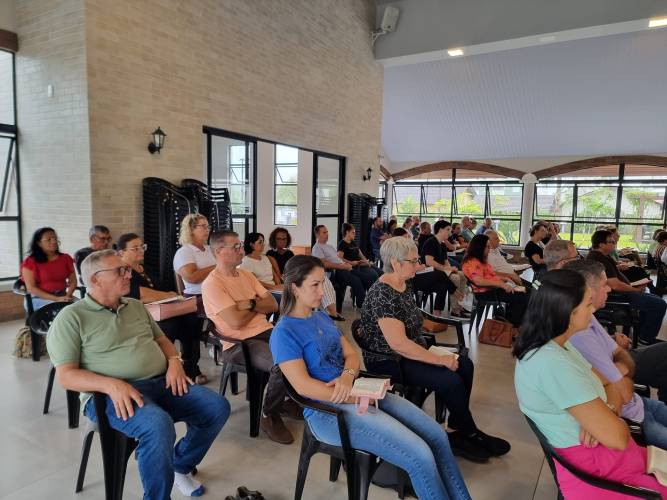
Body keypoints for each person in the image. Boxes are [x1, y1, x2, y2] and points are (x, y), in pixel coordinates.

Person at [270, 254, 473, 500]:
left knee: (437, 436)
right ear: (294, 288)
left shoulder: (320, 316)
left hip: (358, 391)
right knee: (419, 454)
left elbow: (351, 355)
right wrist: (352, 396)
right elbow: (304, 387)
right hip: (327, 412)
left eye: (323, 283)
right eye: (315, 285)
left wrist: (347, 378)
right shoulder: (284, 332)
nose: (322, 292)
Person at [47, 249, 229, 499]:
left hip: (160, 382)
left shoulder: (134, 306)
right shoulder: (72, 317)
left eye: (127, 269)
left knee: (216, 407)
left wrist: (174, 361)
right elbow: (66, 376)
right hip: (108, 396)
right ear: (95, 279)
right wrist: (111, 385)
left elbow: (162, 340)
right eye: (120, 271)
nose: (128, 275)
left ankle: (180, 465)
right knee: (158, 426)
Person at [514, 269, 667, 499]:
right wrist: (609, 420)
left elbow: (610, 385)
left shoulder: (558, 344)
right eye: (587, 304)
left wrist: (607, 411)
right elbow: (618, 439)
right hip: (600, 472)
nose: (593, 310)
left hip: (610, 458)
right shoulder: (551, 363)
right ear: (568, 312)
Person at [359, 237, 511, 463]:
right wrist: (439, 360)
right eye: (413, 261)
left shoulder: (404, 283)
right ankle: (469, 432)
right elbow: (399, 344)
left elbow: (413, 322)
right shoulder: (382, 294)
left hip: (411, 350)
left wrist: (435, 351)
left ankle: (458, 428)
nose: (418, 265)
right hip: (390, 360)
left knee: (465, 365)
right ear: (396, 263)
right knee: (450, 380)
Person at [202, 230, 296, 444]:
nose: (241, 250)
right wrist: (256, 306)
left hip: (265, 331)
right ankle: (269, 415)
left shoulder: (246, 275)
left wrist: (249, 304)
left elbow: (273, 304)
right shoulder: (212, 284)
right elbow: (235, 323)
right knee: (283, 363)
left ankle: (287, 399)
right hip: (239, 343)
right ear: (219, 251)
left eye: (240, 244)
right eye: (235, 246)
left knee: (303, 349)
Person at [564, 258, 667, 449]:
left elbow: (620, 353)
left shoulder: (588, 317)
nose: (609, 289)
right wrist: (619, 366)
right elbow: (623, 392)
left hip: (640, 404)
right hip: (635, 420)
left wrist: (619, 367)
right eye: (604, 285)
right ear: (588, 290)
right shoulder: (580, 333)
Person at [117, 233, 207, 385]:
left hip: (162, 309)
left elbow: (163, 287)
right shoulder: (122, 271)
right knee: (169, 325)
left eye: (142, 247)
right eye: (135, 248)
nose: (141, 250)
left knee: (191, 319)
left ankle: (190, 367)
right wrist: (168, 295)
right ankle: (164, 369)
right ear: (121, 252)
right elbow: (139, 294)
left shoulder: (146, 268)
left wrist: (170, 296)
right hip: (139, 313)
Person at [587, 229, 667, 345]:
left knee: (655, 299)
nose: (615, 243)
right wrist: (635, 289)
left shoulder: (603, 256)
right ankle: (646, 338)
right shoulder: (599, 259)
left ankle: (642, 335)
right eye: (611, 242)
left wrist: (633, 286)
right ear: (601, 244)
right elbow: (615, 285)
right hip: (617, 296)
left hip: (622, 293)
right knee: (659, 304)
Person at [462, 234, 528, 327]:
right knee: (522, 297)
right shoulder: (471, 262)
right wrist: (502, 285)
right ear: (480, 247)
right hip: (485, 293)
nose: (489, 250)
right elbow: (479, 281)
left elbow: (490, 276)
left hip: (493, 290)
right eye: (487, 247)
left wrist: (505, 278)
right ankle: (512, 326)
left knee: (526, 293)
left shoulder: (480, 260)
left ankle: (511, 323)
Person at [21, 227, 77, 311]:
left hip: (63, 296)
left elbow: (73, 281)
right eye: (49, 239)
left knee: (82, 308)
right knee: (61, 309)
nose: (54, 241)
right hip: (38, 299)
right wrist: (56, 299)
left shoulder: (66, 258)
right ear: (39, 243)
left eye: (55, 238)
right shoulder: (30, 262)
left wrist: (67, 296)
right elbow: (31, 288)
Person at [312, 225, 368, 308]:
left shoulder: (330, 246)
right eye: (324, 232)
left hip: (345, 267)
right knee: (357, 281)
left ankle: (366, 303)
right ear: (317, 235)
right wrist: (343, 267)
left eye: (327, 232)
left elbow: (339, 259)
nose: (327, 234)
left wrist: (349, 263)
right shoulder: (317, 248)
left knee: (366, 277)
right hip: (336, 271)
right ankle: (363, 306)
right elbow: (325, 264)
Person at [420, 220, 469, 318]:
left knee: (462, 275)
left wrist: (450, 268)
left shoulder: (442, 245)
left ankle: (459, 305)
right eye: (448, 229)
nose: (450, 232)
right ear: (440, 230)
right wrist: (446, 268)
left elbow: (446, 261)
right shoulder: (431, 242)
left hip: (441, 271)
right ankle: (455, 310)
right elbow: (429, 262)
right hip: (430, 273)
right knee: (455, 278)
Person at [173, 214, 216, 314]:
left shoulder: (210, 249)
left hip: (216, 293)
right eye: (203, 226)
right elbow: (192, 278)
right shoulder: (184, 252)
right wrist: (218, 266)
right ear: (191, 229)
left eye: (208, 226)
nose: (207, 230)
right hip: (198, 297)